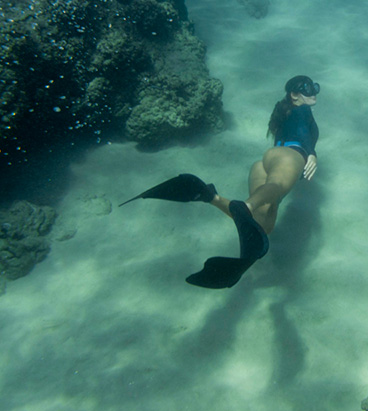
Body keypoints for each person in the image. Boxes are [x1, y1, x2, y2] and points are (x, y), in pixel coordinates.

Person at [121, 75, 320, 289]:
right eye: (308, 88)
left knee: (263, 225)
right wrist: (311, 153)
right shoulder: (302, 110)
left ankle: (211, 197)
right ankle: (248, 205)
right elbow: (302, 130)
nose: (314, 92)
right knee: (276, 188)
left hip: (265, 161)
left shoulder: (284, 113)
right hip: (291, 155)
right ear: (294, 95)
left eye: (314, 87)